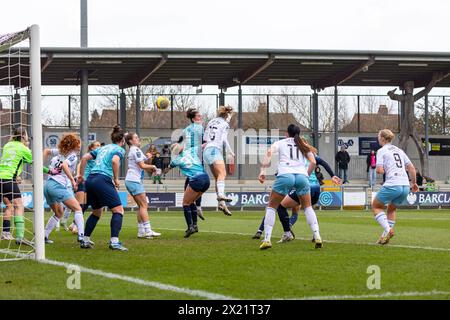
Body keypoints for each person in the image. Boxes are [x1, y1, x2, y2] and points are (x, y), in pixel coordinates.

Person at [258, 124, 317, 250]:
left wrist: (262, 171)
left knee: (272, 207)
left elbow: (269, 152)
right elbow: (313, 162)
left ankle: (267, 239)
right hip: (301, 176)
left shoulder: (281, 142)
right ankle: (317, 236)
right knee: (308, 207)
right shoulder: (303, 145)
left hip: (286, 175)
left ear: (286, 133)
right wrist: (306, 175)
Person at [78, 125, 128, 251]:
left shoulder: (103, 148)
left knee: (96, 212)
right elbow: (115, 161)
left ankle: (85, 240)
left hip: (90, 179)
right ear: (122, 141)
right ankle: (114, 242)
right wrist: (116, 179)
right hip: (102, 179)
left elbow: (84, 158)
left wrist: (81, 176)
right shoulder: (120, 149)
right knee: (118, 210)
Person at [371, 129, 418, 245]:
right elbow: (411, 168)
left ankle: (388, 230)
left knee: (376, 206)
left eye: (378, 136)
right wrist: (414, 183)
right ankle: (383, 237)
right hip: (405, 185)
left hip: (393, 183)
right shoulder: (400, 151)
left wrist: (384, 169)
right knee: (391, 209)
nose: (378, 138)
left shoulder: (381, 151)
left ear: (382, 138)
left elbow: (379, 170)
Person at [42, 133, 86, 245]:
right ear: (73, 144)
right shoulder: (72, 155)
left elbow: (46, 151)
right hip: (57, 185)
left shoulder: (59, 152)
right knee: (78, 209)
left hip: (47, 186)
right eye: (78, 143)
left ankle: (44, 236)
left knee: (59, 212)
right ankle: (82, 237)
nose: (80, 146)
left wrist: (40, 165)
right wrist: (72, 180)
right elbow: (64, 166)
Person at [164, 143, 210, 238]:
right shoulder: (191, 150)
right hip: (206, 179)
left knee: (185, 203)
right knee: (191, 201)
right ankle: (195, 225)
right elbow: (203, 145)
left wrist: (158, 171)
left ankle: (190, 227)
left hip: (196, 179)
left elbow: (166, 170)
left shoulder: (176, 160)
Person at [0, 127, 33, 246]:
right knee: (18, 205)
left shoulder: (8, 145)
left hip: (2, 177)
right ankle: (20, 237)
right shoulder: (23, 148)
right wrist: (27, 146)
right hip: (8, 179)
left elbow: (15, 160)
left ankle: (6, 232)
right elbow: (31, 161)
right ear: (24, 136)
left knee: (11, 206)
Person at [124, 132, 161, 239]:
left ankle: (141, 231)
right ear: (130, 141)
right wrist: (153, 166)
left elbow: (144, 163)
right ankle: (148, 231)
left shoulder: (135, 150)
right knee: (144, 206)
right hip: (134, 180)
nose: (138, 138)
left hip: (132, 180)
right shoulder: (135, 150)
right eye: (136, 137)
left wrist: (149, 158)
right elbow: (142, 165)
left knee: (141, 206)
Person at [203, 106, 235, 216]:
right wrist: (230, 151)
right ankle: (221, 195)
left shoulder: (211, 121)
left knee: (218, 178)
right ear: (227, 115)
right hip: (214, 150)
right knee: (223, 173)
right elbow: (224, 139)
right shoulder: (225, 124)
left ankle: (221, 204)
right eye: (230, 116)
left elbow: (206, 138)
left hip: (206, 151)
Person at [182, 108, 205, 220]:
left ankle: (193, 219)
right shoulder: (200, 128)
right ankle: (198, 206)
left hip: (189, 159)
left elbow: (183, 143)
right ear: (193, 118)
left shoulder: (186, 129)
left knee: (190, 183)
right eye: (198, 115)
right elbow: (205, 141)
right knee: (200, 182)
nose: (200, 117)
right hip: (197, 159)